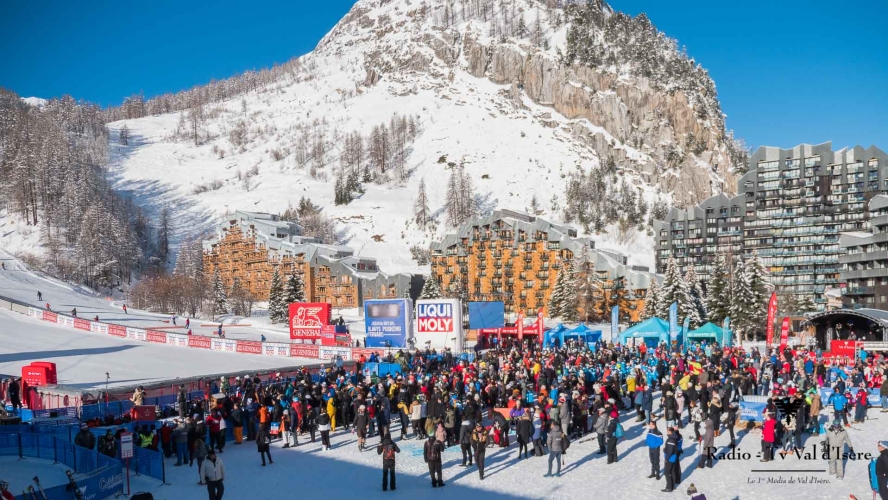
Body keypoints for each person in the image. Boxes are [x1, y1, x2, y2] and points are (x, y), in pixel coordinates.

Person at [663, 427, 680, 493]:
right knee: (672, 471)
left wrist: (667, 458)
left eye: (667, 431)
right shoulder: (674, 437)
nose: (667, 432)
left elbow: (670, 450)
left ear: (670, 431)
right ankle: (673, 486)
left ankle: (669, 487)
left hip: (670, 458)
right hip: (673, 457)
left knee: (667, 473)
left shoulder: (671, 439)